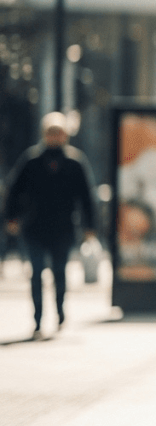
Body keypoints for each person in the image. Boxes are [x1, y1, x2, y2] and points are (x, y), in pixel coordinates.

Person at [3, 112, 97, 337]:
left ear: (65, 135)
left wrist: (89, 227)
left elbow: (87, 197)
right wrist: (11, 218)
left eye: (59, 132)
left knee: (59, 272)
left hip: (63, 228)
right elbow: (14, 191)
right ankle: (37, 319)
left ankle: (60, 313)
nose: (55, 137)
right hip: (34, 227)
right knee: (36, 273)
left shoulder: (75, 162)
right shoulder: (32, 160)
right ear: (44, 134)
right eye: (51, 132)